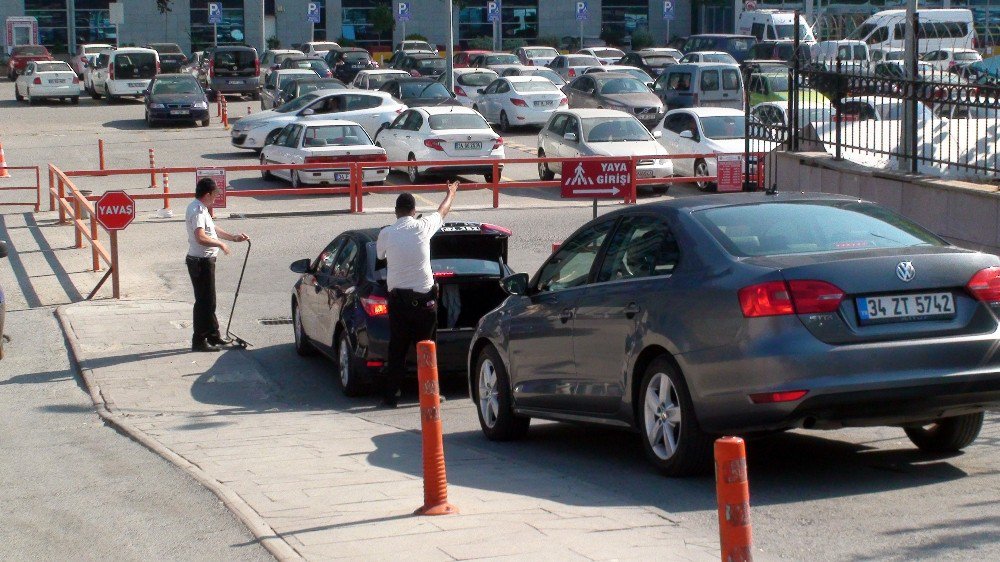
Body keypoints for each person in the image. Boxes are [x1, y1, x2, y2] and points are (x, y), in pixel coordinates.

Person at [376, 181, 460, 407]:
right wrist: (450, 192)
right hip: (425, 303)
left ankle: (392, 396)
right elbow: (443, 210)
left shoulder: (387, 233)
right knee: (427, 348)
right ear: (414, 211)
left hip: (399, 303)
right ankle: (430, 394)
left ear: (396, 212)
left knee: (397, 350)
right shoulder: (423, 226)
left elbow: (380, 256)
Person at [186, 177, 250, 353]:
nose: (215, 198)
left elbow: (212, 229)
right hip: (200, 262)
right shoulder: (197, 211)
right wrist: (220, 244)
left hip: (203, 261)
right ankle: (199, 340)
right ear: (207, 194)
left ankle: (213, 336)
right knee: (204, 302)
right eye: (214, 195)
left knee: (209, 301)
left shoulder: (201, 208)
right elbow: (200, 237)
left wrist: (232, 237)